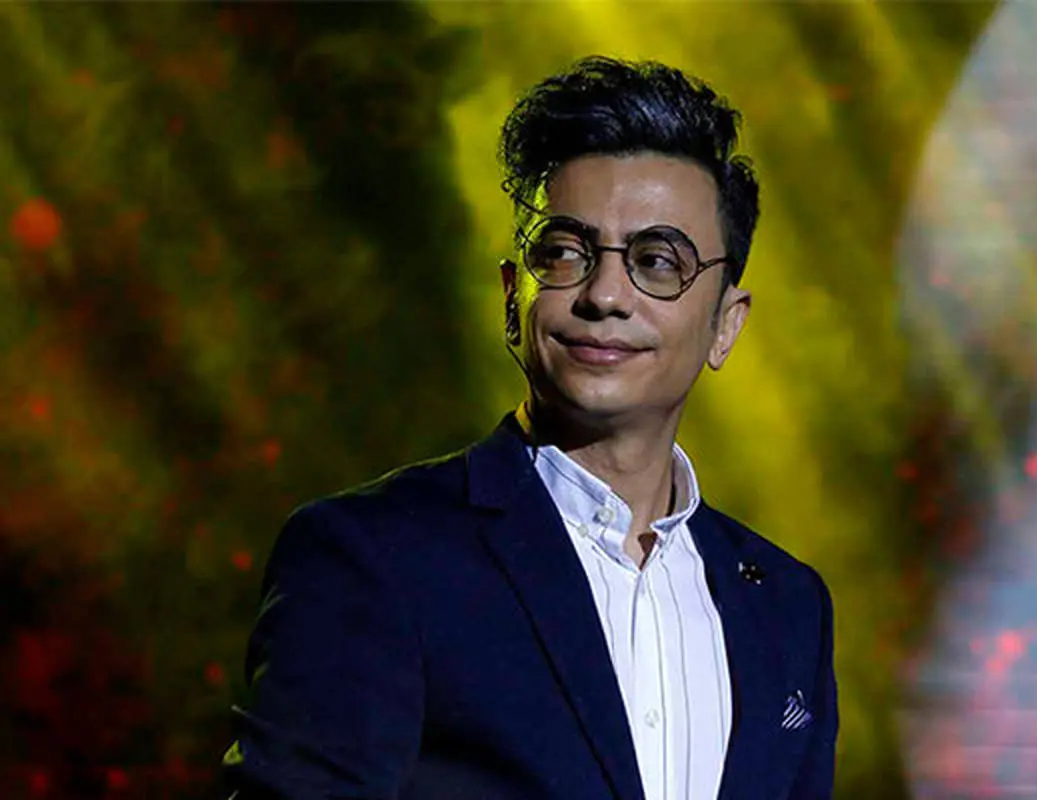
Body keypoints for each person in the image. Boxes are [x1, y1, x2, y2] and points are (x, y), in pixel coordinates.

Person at [221, 55, 837, 800]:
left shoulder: (788, 606)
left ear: (725, 324)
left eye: (657, 261)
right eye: (566, 253)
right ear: (514, 299)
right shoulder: (374, 557)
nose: (606, 294)